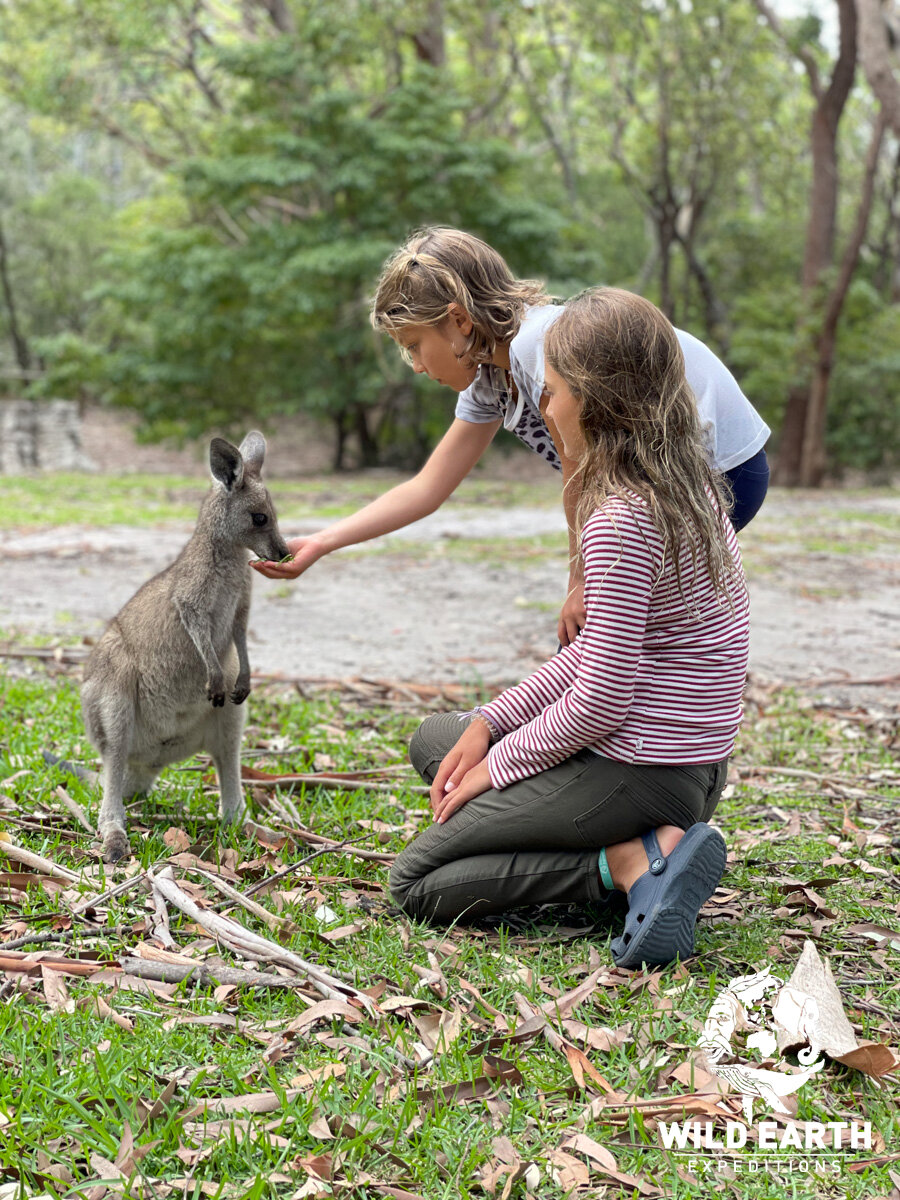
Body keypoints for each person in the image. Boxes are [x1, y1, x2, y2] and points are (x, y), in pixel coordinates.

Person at [388, 287, 750, 968]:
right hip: (692, 762)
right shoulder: (689, 484)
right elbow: (592, 661)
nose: (544, 407)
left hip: (642, 766)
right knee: (440, 740)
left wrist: (498, 768)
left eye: (552, 392)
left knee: (417, 882)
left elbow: (600, 701)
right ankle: (653, 838)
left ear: (598, 400)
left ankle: (628, 861)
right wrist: (489, 726)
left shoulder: (621, 521)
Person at [252, 227, 770, 646]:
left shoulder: (536, 345)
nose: (413, 365)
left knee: (619, 620)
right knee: (620, 626)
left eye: (414, 344)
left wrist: (581, 580)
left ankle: (650, 744)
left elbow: (582, 472)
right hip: (659, 482)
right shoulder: (489, 378)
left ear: (456, 321)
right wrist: (323, 541)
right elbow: (428, 487)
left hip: (719, 469)